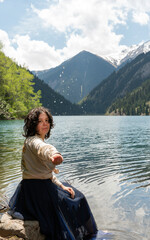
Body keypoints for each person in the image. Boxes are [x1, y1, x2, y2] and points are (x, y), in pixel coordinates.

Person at [8, 107, 98, 240]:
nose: (45, 124)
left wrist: (61, 186)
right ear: (33, 124)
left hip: (31, 188)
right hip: (38, 191)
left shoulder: (31, 140)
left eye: (47, 120)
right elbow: (43, 149)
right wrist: (54, 154)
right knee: (77, 199)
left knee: (68, 189)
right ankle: (88, 235)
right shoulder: (34, 141)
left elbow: (47, 174)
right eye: (40, 121)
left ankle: (84, 234)